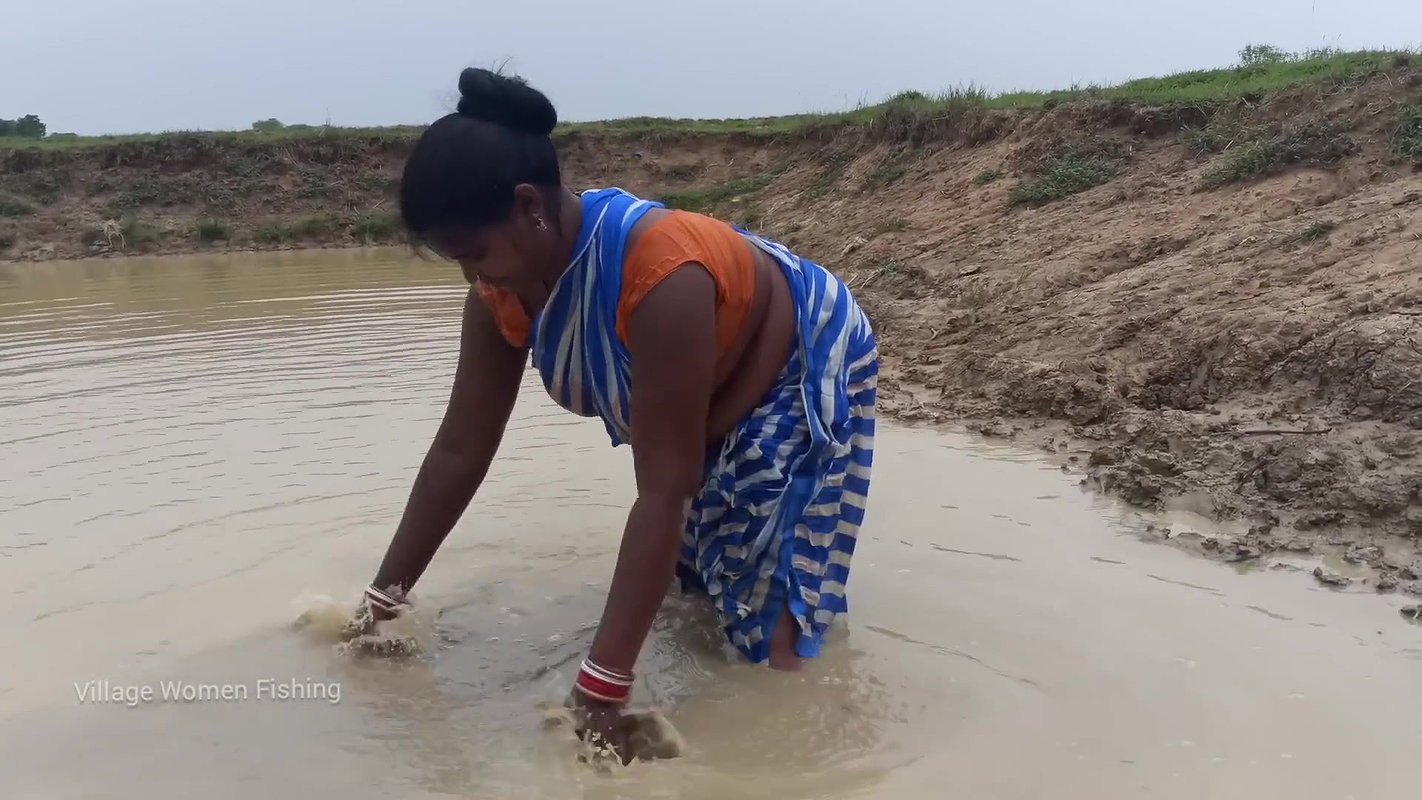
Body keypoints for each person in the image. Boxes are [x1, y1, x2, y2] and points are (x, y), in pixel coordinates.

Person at [357, 68, 878, 763]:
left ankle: (793, 750)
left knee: (769, 625)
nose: (471, 277)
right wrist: (380, 605)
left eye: (476, 253)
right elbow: (460, 450)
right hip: (708, 390)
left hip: (797, 363)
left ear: (528, 206)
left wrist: (600, 691)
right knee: (700, 589)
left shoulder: (660, 277)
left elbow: (663, 489)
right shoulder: (501, 294)